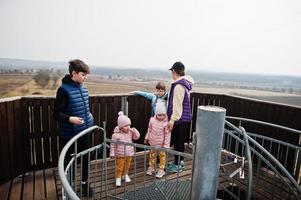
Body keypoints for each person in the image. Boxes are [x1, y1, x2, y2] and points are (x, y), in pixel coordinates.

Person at [53, 59, 94, 197]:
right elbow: (56, 114)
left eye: (86, 74)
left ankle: (84, 184)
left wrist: (88, 115)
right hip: (68, 134)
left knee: (85, 158)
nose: (85, 77)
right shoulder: (63, 90)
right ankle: (67, 186)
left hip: (84, 131)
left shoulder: (84, 88)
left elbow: (83, 108)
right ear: (74, 73)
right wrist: (70, 119)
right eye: (83, 74)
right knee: (67, 161)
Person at [166, 61, 194, 173]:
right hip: (183, 117)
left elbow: (177, 105)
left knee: (177, 142)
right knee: (180, 141)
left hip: (178, 118)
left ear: (174, 71)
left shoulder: (178, 86)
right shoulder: (185, 84)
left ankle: (177, 165)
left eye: (171, 71)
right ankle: (180, 162)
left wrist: (172, 120)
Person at [110, 111, 140, 186]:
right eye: (126, 126)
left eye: (129, 125)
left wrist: (134, 131)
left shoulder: (130, 132)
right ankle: (118, 177)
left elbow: (137, 137)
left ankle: (125, 174)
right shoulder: (115, 135)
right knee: (120, 167)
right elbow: (112, 145)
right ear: (120, 127)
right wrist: (112, 153)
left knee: (127, 165)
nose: (128, 127)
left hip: (129, 153)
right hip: (120, 154)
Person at [144, 101, 171, 178]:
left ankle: (161, 169)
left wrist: (166, 145)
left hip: (161, 145)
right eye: (159, 115)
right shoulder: (152, 120)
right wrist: (146, 137)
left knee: (162, 157)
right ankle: (151, 166)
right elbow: (149, 129)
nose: (161, 117)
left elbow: (168, 135)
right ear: (156, 114)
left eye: (163, 115)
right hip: (152, 142)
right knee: (152, 155)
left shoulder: (166, 123)